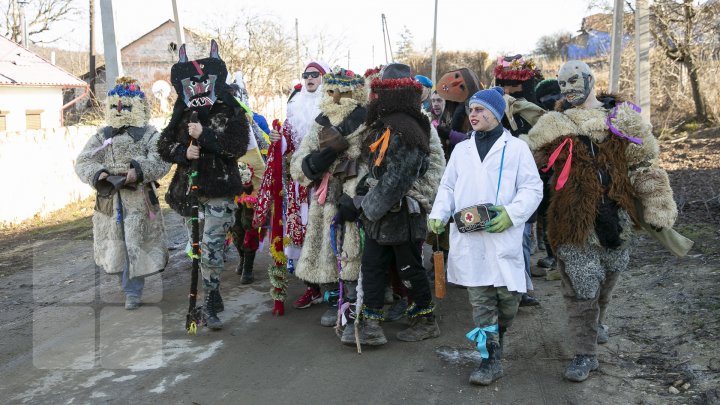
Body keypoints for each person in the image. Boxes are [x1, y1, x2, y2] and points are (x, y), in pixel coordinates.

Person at [527, 60, 677, 382]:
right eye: (562, 84)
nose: (568, 89)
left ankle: (597, 321)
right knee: (581, 287)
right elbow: (524, 161)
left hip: (618, 219)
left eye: (574, 81)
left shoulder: (624, 119)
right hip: (572, 222)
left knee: (608, 276)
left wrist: (657, 204)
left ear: (591, 80)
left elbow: (645, 164)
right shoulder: (554, 124)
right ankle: (585, 353)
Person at [428, 87, 543, 386]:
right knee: (481, 303)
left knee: (508, 301)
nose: (473, 115)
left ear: (496, 112)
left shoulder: (516, 148)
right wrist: (439, 214)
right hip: (470, 239)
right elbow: (448, 187)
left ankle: (498, 334)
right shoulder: (463, 149)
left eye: (479, 109)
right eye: (470, 110)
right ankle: (490, 360)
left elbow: (532, 189)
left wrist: (512, 214)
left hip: (503, 237)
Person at [340, 63, 442, 346]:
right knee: (372, 266)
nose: (375, 100)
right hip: (381, 215)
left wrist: (368, 207)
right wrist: (360, 194)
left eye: (381, 94)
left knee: (409, 268)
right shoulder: (383, 126)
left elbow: (399, 177)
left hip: (402, 215)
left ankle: (426, 320)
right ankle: (370, 325)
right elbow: (376, 170)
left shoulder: (408, 128)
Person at [157, 40, 250, 330]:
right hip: (189, 193)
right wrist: (183, 152)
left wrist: (205, 135)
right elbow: (164, 144)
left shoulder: (231, 110)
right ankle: (214, 290)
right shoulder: (182, 111)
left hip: (219, 190)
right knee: (196, 250)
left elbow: (236, 146)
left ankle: (209, 299)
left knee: (211, 249)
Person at [75, 77, 170, 310]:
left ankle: (132, 291)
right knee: (116, 245)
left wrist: (137, 172)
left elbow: (160, 159)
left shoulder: (149, 134)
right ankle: (127, 285)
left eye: (125, 105)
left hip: (138, 198)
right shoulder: (103, 136)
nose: (119, 110)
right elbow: (83, 161)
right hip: (110, 199)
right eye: (116, 105)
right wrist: (99, 174)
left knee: (135, 244)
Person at [289, 68, 367, 327]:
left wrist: (356, 193)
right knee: (329, 247)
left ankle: (356, 303)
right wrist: (312, 164)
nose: (336, 97)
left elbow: (371, 160)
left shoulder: (366, 120)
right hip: (325, 194)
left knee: (353, 249)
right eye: (331, 91)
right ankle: (336, 299)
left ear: (355, 92)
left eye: (343, 92)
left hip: (355, 193)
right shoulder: (320, 121)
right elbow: (300, 158)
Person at [266, 60, 331, 310]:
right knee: (301, 233)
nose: (309, 78)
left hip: (325, 180)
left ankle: (335, 289)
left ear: (323, 78)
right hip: (299, 185)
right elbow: (286, 141)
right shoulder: (294, 106)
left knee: (327, 232)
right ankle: (311, 288)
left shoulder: (331, 106)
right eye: (306, 75)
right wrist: (277, 139)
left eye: (315, 74)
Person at [494, 54, 547, 307]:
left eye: (512, 84)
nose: (507, 90)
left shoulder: (534, 112)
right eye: (503, 83)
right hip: (498, 181)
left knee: (523, 236)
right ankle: (502, 285)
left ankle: (521, 287)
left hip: (526, 182)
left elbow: (542, 145)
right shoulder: (494, 109)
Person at [227, 72, 267, 284]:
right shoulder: (221, 123)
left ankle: (249, 267)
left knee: (249, 222)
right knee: (234, 225)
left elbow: (264, 144)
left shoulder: (253, 120)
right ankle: (242, 258)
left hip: (253, 182)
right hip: (232, 180)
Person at [530, 78, 564, 278]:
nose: (551, 101)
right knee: (548, 216)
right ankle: (554, 255)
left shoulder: (567, 116)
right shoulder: (542, 119)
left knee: (557, 215)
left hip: (562, 174)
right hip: (545, 175)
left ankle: (559, 256)